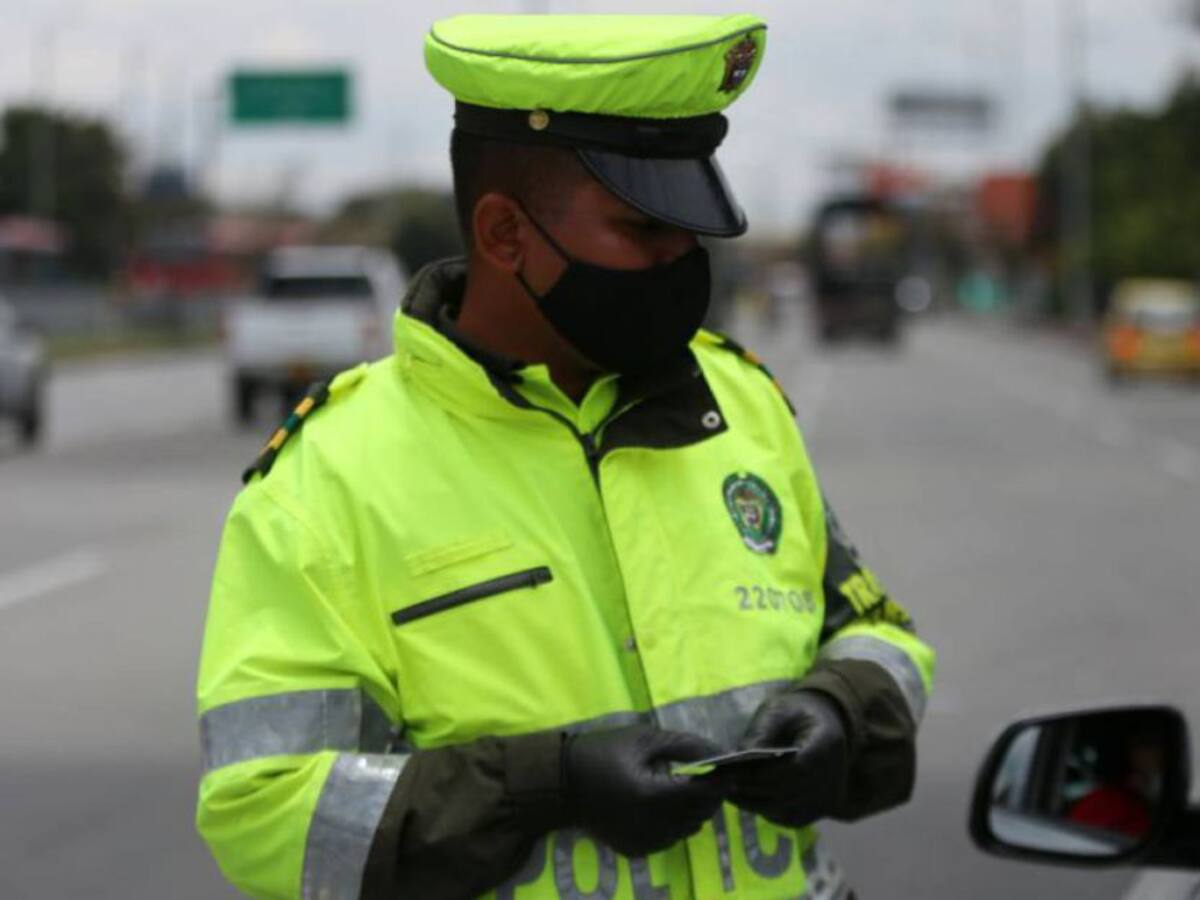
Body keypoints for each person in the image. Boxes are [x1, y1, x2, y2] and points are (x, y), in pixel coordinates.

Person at [195, 13, 937, 900]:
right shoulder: (328, 480)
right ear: (505, 235)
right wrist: (548, 786)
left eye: (689, 230)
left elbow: (875, 633)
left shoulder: (740, 405)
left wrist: (837, 712)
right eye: (643, 228)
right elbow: (265, 810)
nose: (680, 257)